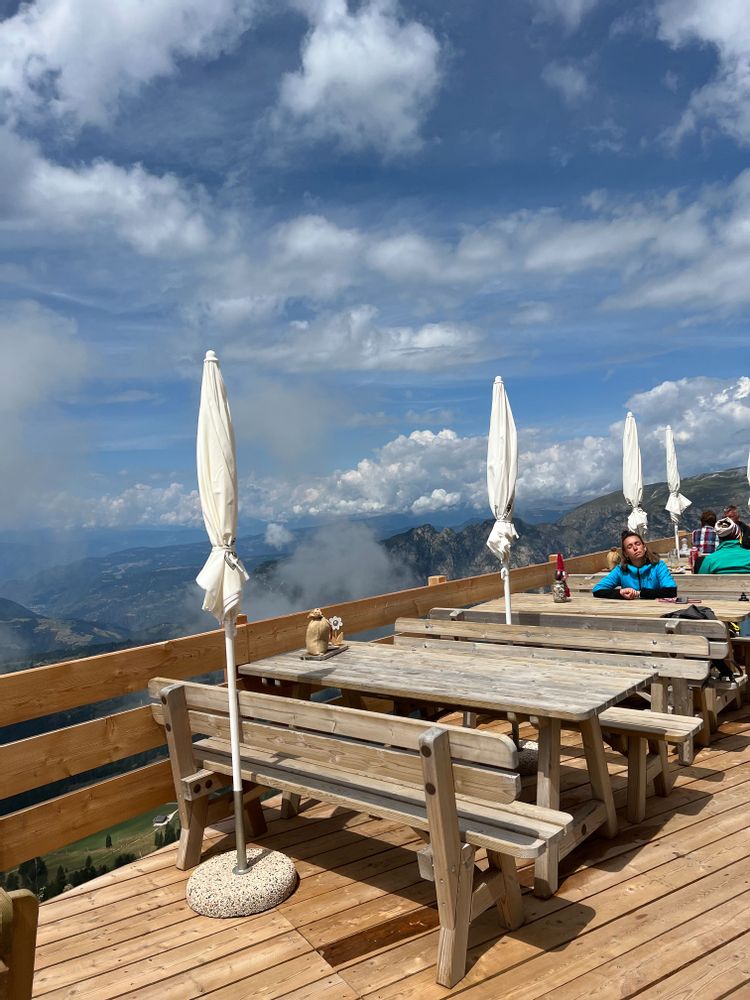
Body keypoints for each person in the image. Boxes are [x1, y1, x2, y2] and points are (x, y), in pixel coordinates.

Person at [592, 531, 677, 600]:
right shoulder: (621, 570)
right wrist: (620, 593)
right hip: (630, 610)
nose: (635, 548)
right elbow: (597, 590)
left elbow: (671, 591)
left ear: (644, 547)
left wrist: (639, 593)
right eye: (629, 547)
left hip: (657, 610)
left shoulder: (658, 566)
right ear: (626, 553)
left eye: (637, 544)